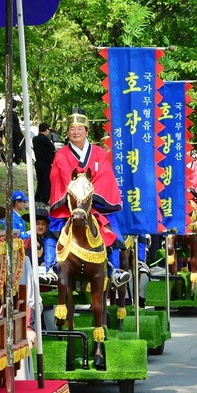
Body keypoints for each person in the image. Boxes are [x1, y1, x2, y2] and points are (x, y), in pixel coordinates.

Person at [49, 106, 131, 288]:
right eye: (72, 129)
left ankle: (114, 270)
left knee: (112, 230)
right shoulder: (61, 154)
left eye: (79, 128)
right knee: (53, 227)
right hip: (70, 204)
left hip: (94, 204)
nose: (75, 132)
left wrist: (88, 197)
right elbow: (63, 175)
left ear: (86, 131)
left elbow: (104, 176)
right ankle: (50, 268)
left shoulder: (99, 153)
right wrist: (78, 195)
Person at [32, 122, 56, 204]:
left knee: (40, 181)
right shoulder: (45, 139)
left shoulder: (35, 139)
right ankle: (45, 198)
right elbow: (52, 148)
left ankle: (38, 197)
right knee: (47, 181)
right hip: (45, 163)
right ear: (46, 130)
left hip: (38, 162)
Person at [34, 206, 58, 284]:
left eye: (43, 224)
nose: (40, 227)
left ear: (47, 225)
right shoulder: (28, 239)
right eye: (37, 224)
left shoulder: (53, 240)